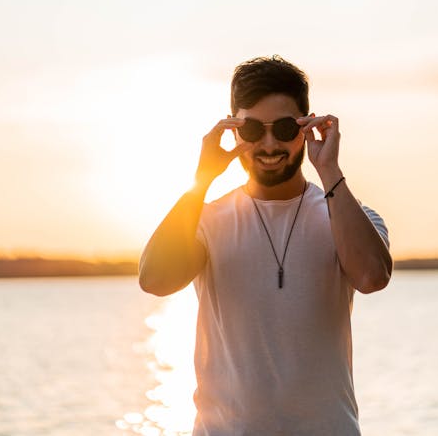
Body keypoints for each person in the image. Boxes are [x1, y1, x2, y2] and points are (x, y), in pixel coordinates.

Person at [139, 55, 392, 436]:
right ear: (234, 131)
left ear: (307, 127)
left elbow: (372, 276)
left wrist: (330, 171)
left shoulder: (347, 216)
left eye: (286, 128)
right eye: (254, 129)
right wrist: (202, 180)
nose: (270, 144)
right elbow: (155, 279)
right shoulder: (205, 221)